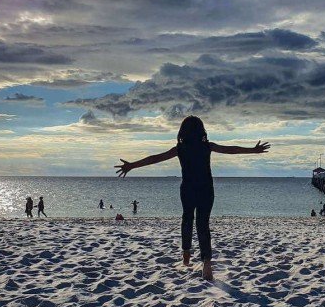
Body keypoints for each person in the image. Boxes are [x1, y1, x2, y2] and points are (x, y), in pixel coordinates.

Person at [115, 115, 270, 281]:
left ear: (182, 131)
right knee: (203, 224)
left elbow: (155, 158)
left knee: (187, 219)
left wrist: (132, 165)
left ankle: (186, 254)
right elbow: (231, 149)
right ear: (201, 130)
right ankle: (207, 263)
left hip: (188, 189)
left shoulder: (180, 149)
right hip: (206, 188)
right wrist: (253, 150)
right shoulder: (207, 146)